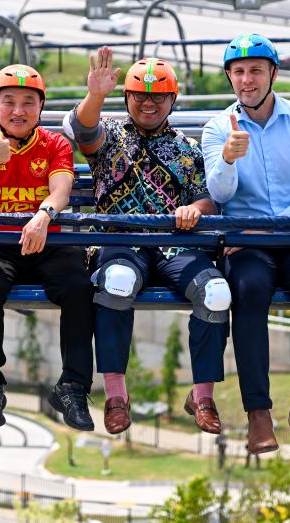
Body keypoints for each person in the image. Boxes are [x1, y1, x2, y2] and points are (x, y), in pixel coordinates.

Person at [67, 50, 231, 435]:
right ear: (126, 98)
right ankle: (116, 395)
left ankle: (202, 395)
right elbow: (83, 130)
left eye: (159, 96)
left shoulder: (188, 149)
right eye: (139, 94)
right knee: (116, 284)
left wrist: (195, 208)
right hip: (121, 241)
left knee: (216, 293)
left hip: (176, 244)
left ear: (172, 100)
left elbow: (209, 197)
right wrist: (95, 96)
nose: (148, 103)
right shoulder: (110, 138)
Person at [200, 33, 290, 463]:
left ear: (273, 74)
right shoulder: (218, 128)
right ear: (230, 78)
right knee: (250, 290)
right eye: (238, 72)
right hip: (250, 247)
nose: (247, 80)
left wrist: (268, 228)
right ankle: (258, 411)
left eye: (256, 70)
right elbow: (218, 194)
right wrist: (227, 158)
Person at [0, 64, 95, 432]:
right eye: (9, 102)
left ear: (40, 107)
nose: (18, 111)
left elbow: (61, 188)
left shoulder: (54, 144)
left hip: (47, 240)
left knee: (79, 288)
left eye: (28, 103)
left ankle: (74, 386)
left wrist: (44, 215)